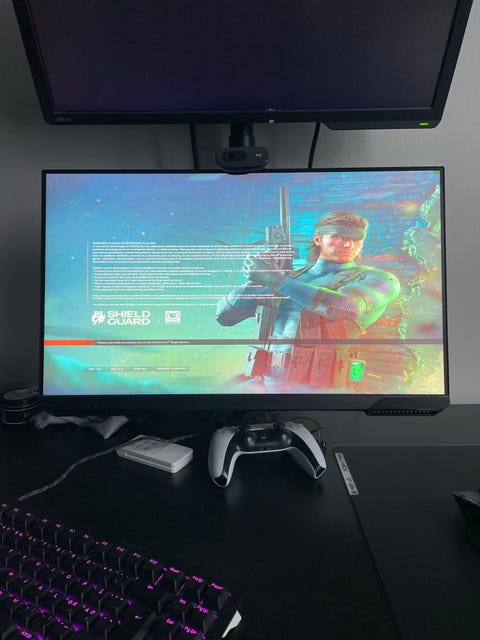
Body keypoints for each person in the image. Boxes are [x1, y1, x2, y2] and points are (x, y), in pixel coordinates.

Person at [216, 211, 404, 392]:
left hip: (321, 391)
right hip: (264, 384)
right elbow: (225, 317)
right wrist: (256, 280)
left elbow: (346, 307)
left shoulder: (379, 279)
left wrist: (274, 280)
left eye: (357, 239)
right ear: (318, 239)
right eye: (338, 237)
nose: (349, 245)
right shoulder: (287, 279)